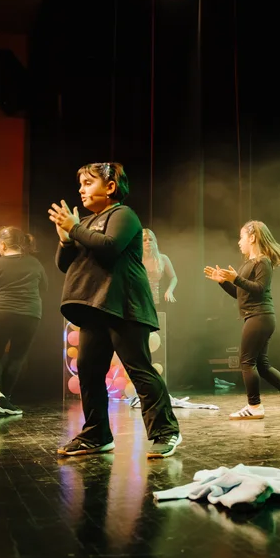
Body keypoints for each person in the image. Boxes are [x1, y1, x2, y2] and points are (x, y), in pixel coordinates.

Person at [48, 162, 182, 458]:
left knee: (139, 370)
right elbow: (64, 264)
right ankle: (96, 434)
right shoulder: (85, 223)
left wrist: (75, 228)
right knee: (89, 371)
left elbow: (109, 247)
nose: (81, 189)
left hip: (125, 305)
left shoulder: (123, 215)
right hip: (94, 307)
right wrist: (65, 238)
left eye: (88, 183)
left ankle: (166, 432)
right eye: (80, 184)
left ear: (110, 187)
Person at [204, 220, 280, 420]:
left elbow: (259, 289)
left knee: (246, 361)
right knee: (261, 364)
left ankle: (254, 406)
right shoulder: (248, 264)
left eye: (241, 237)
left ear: (252, 238)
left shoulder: (263, 262)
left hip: (259, 317)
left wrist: (235, 279)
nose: (239, 242)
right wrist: (223, 282)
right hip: (257, 317)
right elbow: (240, 294)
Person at [0, 226, 47, 417]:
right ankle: (4, 399)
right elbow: (44, 287)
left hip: (2, 312)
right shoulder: (35, 263)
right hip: (31, 314)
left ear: (3, 245)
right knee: (17, 356)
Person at [142, 228, 178, 306]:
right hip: (142, 301)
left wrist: (169, 291)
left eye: (150, 239)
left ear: (154, 241)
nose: (148, 242)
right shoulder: (137, 260)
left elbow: (174, 278)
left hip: (160, 300)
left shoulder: (163, 258)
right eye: (144, 240)